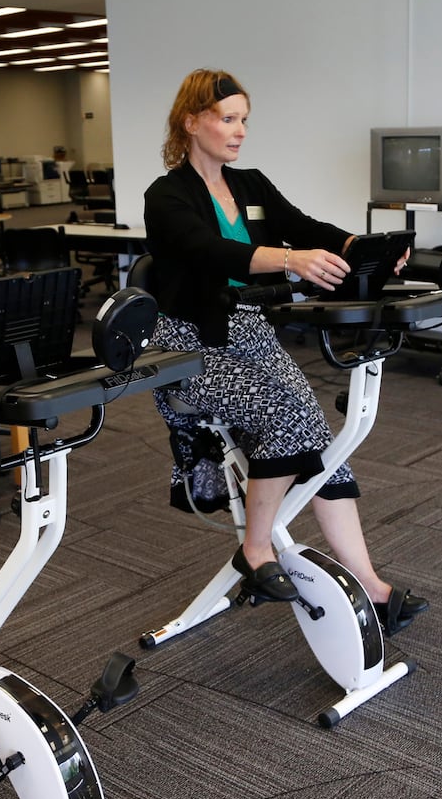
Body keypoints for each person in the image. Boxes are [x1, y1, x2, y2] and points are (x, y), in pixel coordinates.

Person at [142, 68, 427, 635]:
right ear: (191, 121)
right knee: (286, 414)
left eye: (244, 119)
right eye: (228, 118)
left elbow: (302, 226)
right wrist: (288, 260)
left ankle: (369, 585)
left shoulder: (249, 186)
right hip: (184, 344)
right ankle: (255, 550)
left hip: (246, 331)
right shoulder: (166, 196)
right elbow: (209, 250)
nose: (240, 130)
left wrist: (357, 245)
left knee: (315, 431)